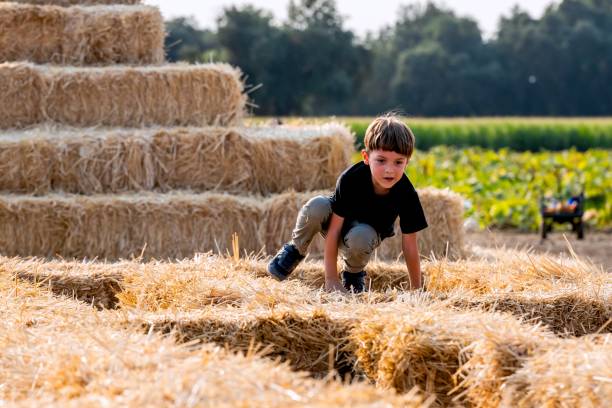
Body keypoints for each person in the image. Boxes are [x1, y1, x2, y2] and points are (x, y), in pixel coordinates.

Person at [267, 114, 428, 293]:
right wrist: (331, 280)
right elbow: (334, 230)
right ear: (366, 157)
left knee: (361, 235)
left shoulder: (407, 194)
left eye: (398, 162)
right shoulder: (350, 179)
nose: (389, 169)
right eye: (381, 160)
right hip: (338, 225)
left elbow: (410, 245)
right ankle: (295, 250)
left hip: (363, 237)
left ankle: (353, 275)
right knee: (317, 206)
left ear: (407, 162)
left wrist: (417, 289)